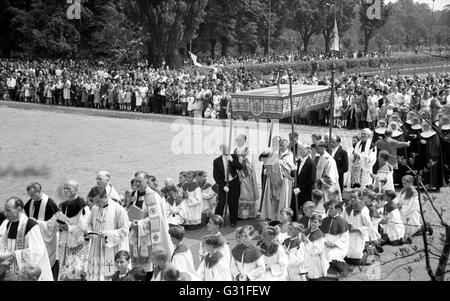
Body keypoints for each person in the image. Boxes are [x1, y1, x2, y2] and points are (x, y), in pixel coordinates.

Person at [128, 171, 174, 280]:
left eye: (140, 181)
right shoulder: (135, 194)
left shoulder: (151, 196)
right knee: (136, 266)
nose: (137, 184)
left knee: (147, 268)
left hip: (148, 236)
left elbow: (155, 219)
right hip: (136, 235)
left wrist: (138, 224)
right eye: (136, 181)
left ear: (147, 181)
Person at [0, 197, 53, 281]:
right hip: (12, 270)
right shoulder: (9, 224)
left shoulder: (30, 225)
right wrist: (3, 256)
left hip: (29, 273)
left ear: (19, 209)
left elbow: (37, 251)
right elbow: (2, 245)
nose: (5, 213)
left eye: (8, 210)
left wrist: (14, 255)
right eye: (5, 210)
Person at [86, 187, 130, 281]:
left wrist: (107, 233)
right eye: (95, 202)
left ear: (105, 196)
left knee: (111, 274)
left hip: (112, 248)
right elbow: (89, 223)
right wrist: (89, 231)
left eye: (98, 201)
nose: (96, 204)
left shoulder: (119, 209)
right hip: (97, 247)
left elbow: (125, 231)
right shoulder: (95, 208)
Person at [24, 182, 59, 280]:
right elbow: (24, 215)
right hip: (35, 236)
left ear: (39, 192)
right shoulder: (31, 202)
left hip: (46, 237)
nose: (31, 198)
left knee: (45, 261)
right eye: (29, 195)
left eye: (32, 195)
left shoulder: (49, 203)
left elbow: (52, 225)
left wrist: (37, 223)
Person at [57, 180, 91, 281]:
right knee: (65, 273)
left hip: (78, 247)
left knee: (76, 274)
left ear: (76, 190)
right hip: (66, 245)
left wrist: (69, 228)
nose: (66, 191)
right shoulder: (63, 205)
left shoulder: (83, 206)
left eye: (69, 189)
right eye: (65, 188)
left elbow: (86, 228)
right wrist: (60, 226)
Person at [260, 138, 295, 222]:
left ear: (287, 146)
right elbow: (264, 160)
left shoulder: (289, 155)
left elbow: (287, 168)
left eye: (283, 146)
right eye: (280, 145)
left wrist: (278, 162)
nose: (281, 147)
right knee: (274, 199)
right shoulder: (275, 154)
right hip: (273, 181)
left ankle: (282, 218)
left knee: (282, 200)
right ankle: (273, 217)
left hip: (284, 181)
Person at [213, 144, 243, 227]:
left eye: (227, 149)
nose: (226, 150)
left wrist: (232, 161)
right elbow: (215, 176)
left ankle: (233, 220)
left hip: (234, 182)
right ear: (221, 150)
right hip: (223, 183)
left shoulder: (233, 156)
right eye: (224, 149)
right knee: (221, 202)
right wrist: (223, 186)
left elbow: (240, 167)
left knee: (233, 202)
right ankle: (217, 221)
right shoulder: (216, 161)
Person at [342, 190, 371, 266]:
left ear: (360, 198)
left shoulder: (363, 209)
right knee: (347, 258)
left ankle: (365, 253)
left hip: (358, 236)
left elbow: (368, 225)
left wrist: (357, 229)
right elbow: (342, 220)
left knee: (356, 260)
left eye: (355, 197)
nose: (352, 199)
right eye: (351, 197)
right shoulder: (347, 209)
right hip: (348, 235)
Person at [320, 201, 350, 277]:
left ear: (337, 209)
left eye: (331, 208)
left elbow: (345, 238)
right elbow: (321, 234)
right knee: (319, 255)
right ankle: (328, 271)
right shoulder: (325, 220)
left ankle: (344, 268)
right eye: (328, 208)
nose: (329, 210)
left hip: (338, 246)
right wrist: (324, 242)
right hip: (326, 244)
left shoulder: (342, 221)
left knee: (331, 256)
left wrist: (335, 244)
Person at [234, 134, 260, 220]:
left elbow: (249, 162)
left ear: (244, 141)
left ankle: (249, 214)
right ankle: (239, 214)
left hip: (246, 174)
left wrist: (241, 161)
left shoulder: (248, 150)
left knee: (246, 194)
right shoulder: (235, 150)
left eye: (240, 140)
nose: (238, 142)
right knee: (238, 194)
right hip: (236, 174)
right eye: (237, 140)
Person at [292, 144, 316, 221]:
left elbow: (312, 180)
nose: (300, 151)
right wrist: (293, 170)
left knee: (306, 210)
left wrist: (300, 189)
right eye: (300, 149)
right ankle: (294, 224)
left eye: (303, 149)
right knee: (293, 208)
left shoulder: (311, 163)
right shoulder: (298, 161)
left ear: (309, 151)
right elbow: (293, 175)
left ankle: (306, 225)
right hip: (296, 190)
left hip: (306, 191)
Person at [302, 214, 329, 280]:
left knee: (311, 277)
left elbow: (316, 250)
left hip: (313, 260)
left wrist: (307, 240)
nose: (313, 223)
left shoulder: (319, 235)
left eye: (315, 222)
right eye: (312, 221)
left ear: (320, 223)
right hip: (305, 257)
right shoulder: (307, 231)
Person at [419, 122, 443, 192]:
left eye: (426, 126)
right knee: (425, 170)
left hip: (432, 156)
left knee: (434, 170)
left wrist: (427, 143)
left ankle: (436, 186)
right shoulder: (422, 134)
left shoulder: (434, 134)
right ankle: (425, 185)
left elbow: (436, 144)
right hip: (424, 156)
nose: (425, 127)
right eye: (424, 126)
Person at [398, 175, 422, 243]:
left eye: (405, 183)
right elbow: (400, 198)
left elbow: (408, 203)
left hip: (410, 210)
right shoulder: (404, 189)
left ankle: (422, 229)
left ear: (410, 183)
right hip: (404, 209)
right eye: (403, 183)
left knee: (411, 227)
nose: (403, 184)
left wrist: (400, 206)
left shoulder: (411, 191)